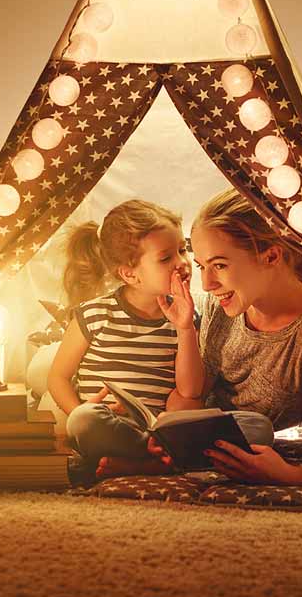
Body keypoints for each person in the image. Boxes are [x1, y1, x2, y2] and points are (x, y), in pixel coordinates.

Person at [154, 188, 302, 486]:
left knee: (256, 428)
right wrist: (186, 329)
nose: (207, 283)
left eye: (220, 265)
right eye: (202, 266)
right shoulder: (221, 306)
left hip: (253, 438)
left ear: (272, 256)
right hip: (211, 434)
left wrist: (289, 475)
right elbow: (191, 398)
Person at [46, 199, 200, 477]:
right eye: (166, 258)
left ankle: (141, 461)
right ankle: (146, 458)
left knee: (251, 426)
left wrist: (186, 328)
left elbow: (190, 391)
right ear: (129, 274)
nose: (182, 263)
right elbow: (57, 376)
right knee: (85, 421)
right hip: (106, 425)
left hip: (157, 430)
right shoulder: (94, 314)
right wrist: (79, 410)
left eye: (182, 250)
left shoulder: (187, 318)